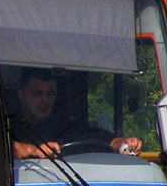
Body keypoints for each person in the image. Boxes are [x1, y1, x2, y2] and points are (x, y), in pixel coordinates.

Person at [11, 68, 142, 159]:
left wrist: (123, 144)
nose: (44, 100)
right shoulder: (8, 125)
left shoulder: (64, 127)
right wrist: (33, 150)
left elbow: (101, 137)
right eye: (37, 93)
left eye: (50, 94)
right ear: (21, 95)